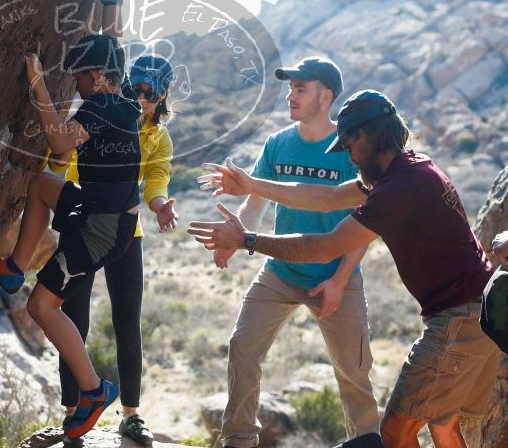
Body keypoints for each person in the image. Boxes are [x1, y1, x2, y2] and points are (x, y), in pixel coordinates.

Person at [190, 90, 500, 448]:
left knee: (396, 431)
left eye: (349, 144)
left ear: (368, 136)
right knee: (443, 425)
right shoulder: (409, 168)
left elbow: (325, 248)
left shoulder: (399, 187)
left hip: (460, 318)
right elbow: (328, 197)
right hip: (477, 312)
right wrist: (252, 185)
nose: (348, 155)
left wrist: (246, 240)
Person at [0, 31, 142, 440]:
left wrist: (37, 81)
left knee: (42, 307)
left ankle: (94, 390)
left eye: (82, 77)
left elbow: (57, 141)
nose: (79, 85)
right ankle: (15, 267)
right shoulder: (120, 106)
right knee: (40, 185)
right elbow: (64, 155)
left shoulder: (102, 106)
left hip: (99, 231)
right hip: (101, 216)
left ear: (100, 76)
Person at [208, 58, 379, 448]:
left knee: (353, 373)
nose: (291, 96)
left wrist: (338, 280)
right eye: (290, 89)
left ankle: (367, 442)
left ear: (326, 96)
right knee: (243, 347)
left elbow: (366, 224)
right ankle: (237, 441)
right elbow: (254, 200)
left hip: (336, 276)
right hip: (281, 271)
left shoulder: (350, 148)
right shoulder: (278, 142)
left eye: (300, 89)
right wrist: (237, 236)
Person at [49, 54, 176, 446]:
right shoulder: (102, 113)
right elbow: (65, 166)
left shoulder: (159, 138)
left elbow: (156, 180)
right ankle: (72, 413)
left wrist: (160, 205)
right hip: (83, 224)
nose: (140, 99)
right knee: (74, 317)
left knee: (127, 322)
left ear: (163, 95)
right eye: (134, 89)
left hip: (125, 231)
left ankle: (132, 416)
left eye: (149, 93)